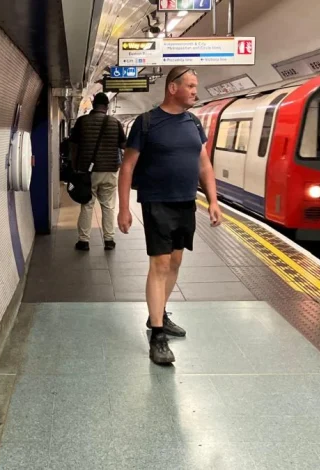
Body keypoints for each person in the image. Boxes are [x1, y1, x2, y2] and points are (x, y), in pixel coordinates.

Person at [117, 66, 222, 365]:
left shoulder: (193, 123)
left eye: (195, 86)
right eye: (189, 85)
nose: (194, 91)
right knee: (160, 263)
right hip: (156, 202)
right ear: (172, 88)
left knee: (175, 261)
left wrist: (213, 200)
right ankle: (158, 336)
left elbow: (204, 165)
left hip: (186, 202)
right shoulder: (147, 122)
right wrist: (124, 208)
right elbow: (127, 167)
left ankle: (158, 314)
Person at [68, 92, 127, 251]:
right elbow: (124, 146)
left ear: (93, 106)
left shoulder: (82, 121)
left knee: (87, 204)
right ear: (107, 107)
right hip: (110, 170)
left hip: (88, 171)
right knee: (108, 206)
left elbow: (73, 146)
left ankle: (84, 241)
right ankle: (109, 240)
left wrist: (75, 166)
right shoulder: (115, 123)